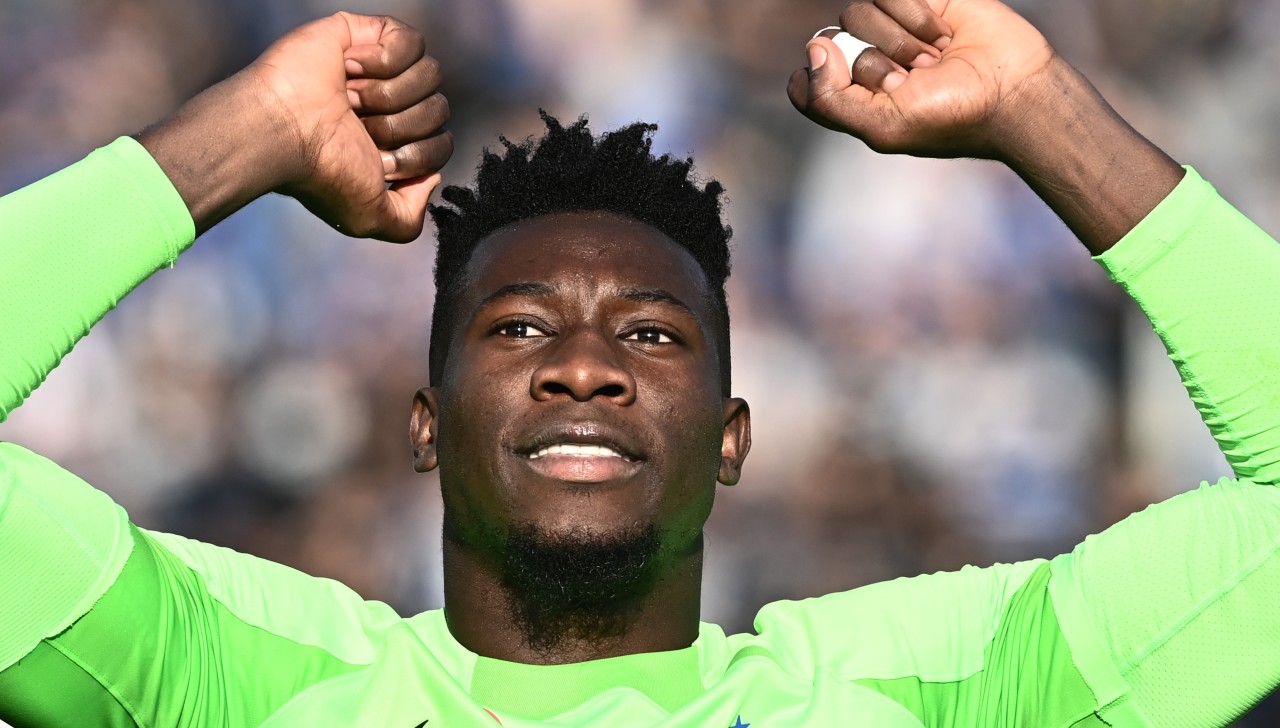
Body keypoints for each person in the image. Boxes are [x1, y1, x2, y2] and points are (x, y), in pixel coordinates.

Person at [1, 0, 1277, 725]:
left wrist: (1040, 110)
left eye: (651, 333)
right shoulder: (247, 679)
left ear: (730, 435)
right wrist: (247, 132)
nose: (584, 366)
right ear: (424, 422)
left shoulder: (914, 692)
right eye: (517, 326)